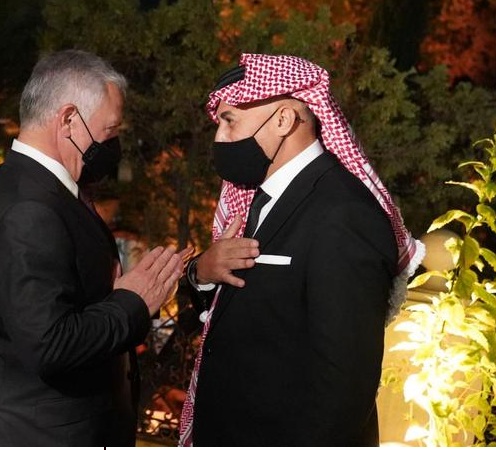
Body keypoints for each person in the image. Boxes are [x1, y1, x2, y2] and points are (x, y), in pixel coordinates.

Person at [178, 53, 425, 446]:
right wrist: (200, 274)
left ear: (283, 120)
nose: (219, 138)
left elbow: (343, 391)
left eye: (230, 121)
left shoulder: (344, 213)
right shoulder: (260, 200)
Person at [0, 49, 189, 447]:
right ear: (69, 120)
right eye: (110, 130)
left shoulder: (42, 189)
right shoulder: (30, 208)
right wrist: (132, 301)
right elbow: (50, 346)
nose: (114, 144)